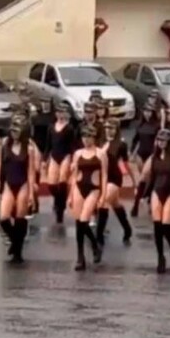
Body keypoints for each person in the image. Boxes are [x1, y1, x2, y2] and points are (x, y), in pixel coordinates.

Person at [140, 129, 170, 273]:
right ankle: (160, 257)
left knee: (166, 226)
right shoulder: (154, 157)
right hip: (156, 190)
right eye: (159, 140)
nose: (161, 143)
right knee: (157, 225)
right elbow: (148, 176)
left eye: (164, 140)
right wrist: (144, 195)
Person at [0, 119, 36, 263]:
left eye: (17, 131)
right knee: (4, 217)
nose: (14, 134)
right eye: (12, 131)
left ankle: (18, 252)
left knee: (19, 219)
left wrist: (31, 193)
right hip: (9, 184)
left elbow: (30, 172)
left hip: (22, 184)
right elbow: (1, 163)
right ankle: (15, 242)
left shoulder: (28, 148)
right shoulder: (5, 144)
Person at [69, 125, 106, 271]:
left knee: (84, 220)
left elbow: (104, 176)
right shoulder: (78, 153)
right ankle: (81, 256)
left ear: (94, 138)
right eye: (83, 137)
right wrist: (70, 195)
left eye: (88, 137)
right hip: (79, 187)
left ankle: (95, 245)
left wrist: (103, 195)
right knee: (79, 222)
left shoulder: (100, 154)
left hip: (93, 188)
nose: (86, 140)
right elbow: (74, 176)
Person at [96, 118, 134, 246]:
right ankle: (127, 228)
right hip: (102, 176)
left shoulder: (121, 144)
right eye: (107, 127)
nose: (108, 130)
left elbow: (125, 163)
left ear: (116, 129)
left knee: (104, 202)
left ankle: (99, 235)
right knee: (115, 203)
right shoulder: (100, 142)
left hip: (114, 177)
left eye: (111, 128)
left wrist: (132, 179)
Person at [43, 103, 75, 225]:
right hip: (54, 156)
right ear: (56, 114)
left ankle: (60, 210)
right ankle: (59, 200)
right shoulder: (51, 127)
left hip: (65, 156)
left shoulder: (70, 128)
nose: (60, 114)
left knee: (62, 182)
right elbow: (48, 145)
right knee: (51, 184)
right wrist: (44, 159)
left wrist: (73, 160)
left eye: (63, 112)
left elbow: (72, 145)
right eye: (59, 112)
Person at [130, 102, 161, 217]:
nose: (147, 113)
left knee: (145, 178)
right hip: (140, 153)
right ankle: (145, 199)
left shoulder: (157, 126)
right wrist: (132, 152)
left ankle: (139, 203)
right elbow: (135, 140)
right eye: (146, 111)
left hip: (151, 154)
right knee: (145, 179)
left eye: (150, 111)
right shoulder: (140, 124)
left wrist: (156, 155)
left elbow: (159, 142)